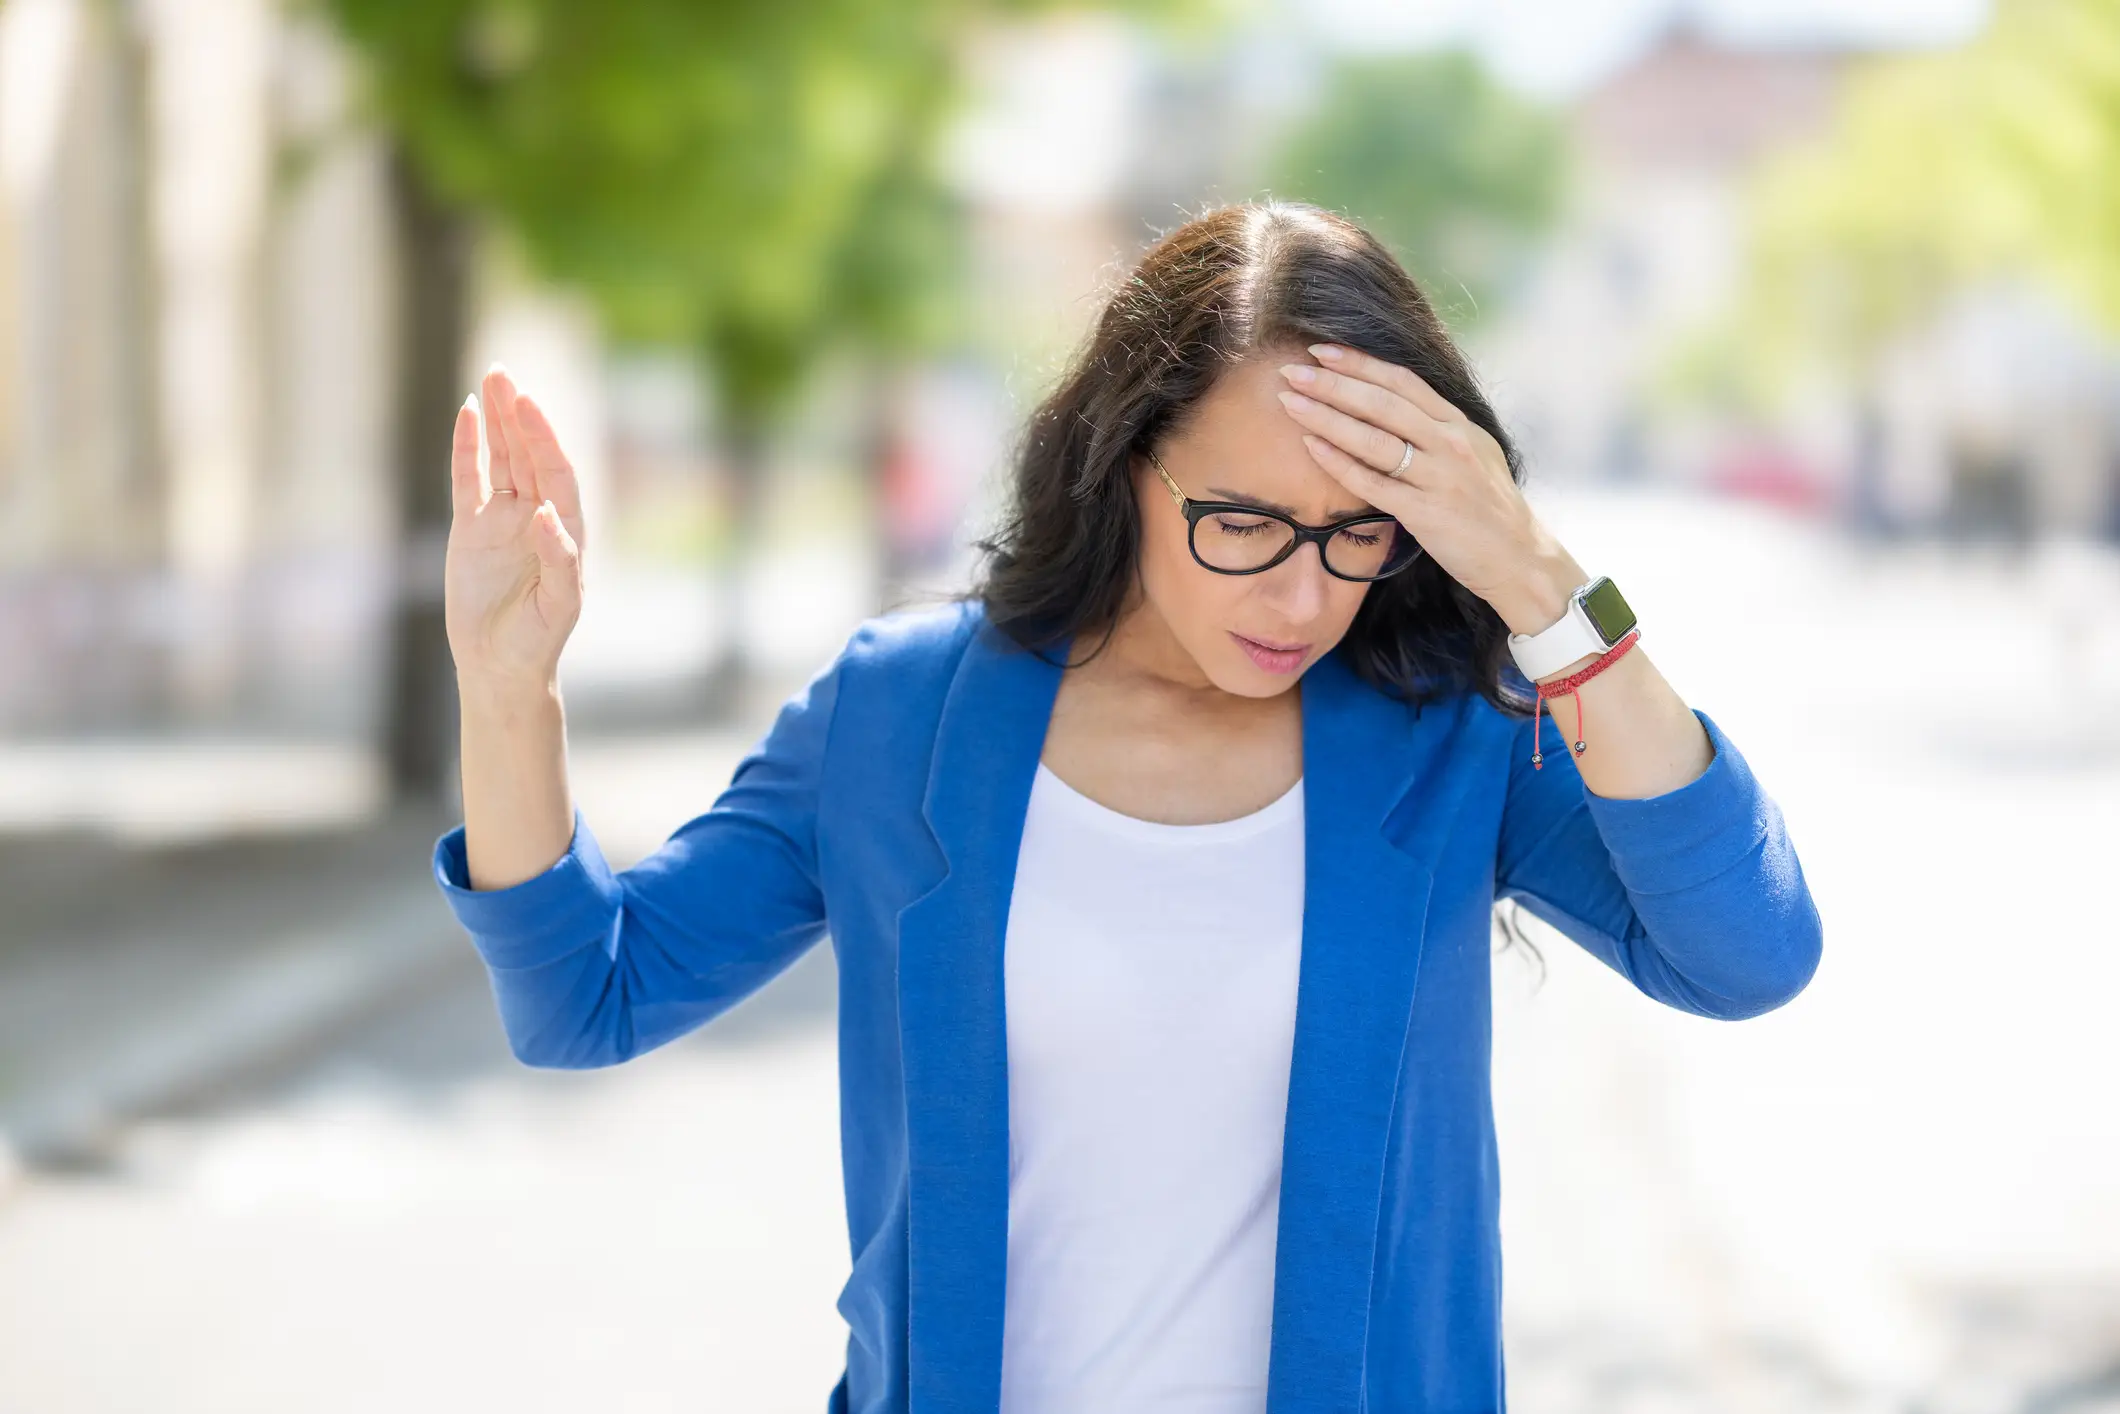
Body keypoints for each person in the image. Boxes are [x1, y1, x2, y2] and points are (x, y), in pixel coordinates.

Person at [432, 201, 1823, 1414]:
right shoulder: (902, 718)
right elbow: (585, 995)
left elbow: (1746, 950)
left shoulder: (1445, 734)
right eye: (1243, 524)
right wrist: (506, 699)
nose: (1302, 595)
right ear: (1126, 464)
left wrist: (1542, 586)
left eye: (1359, 533)